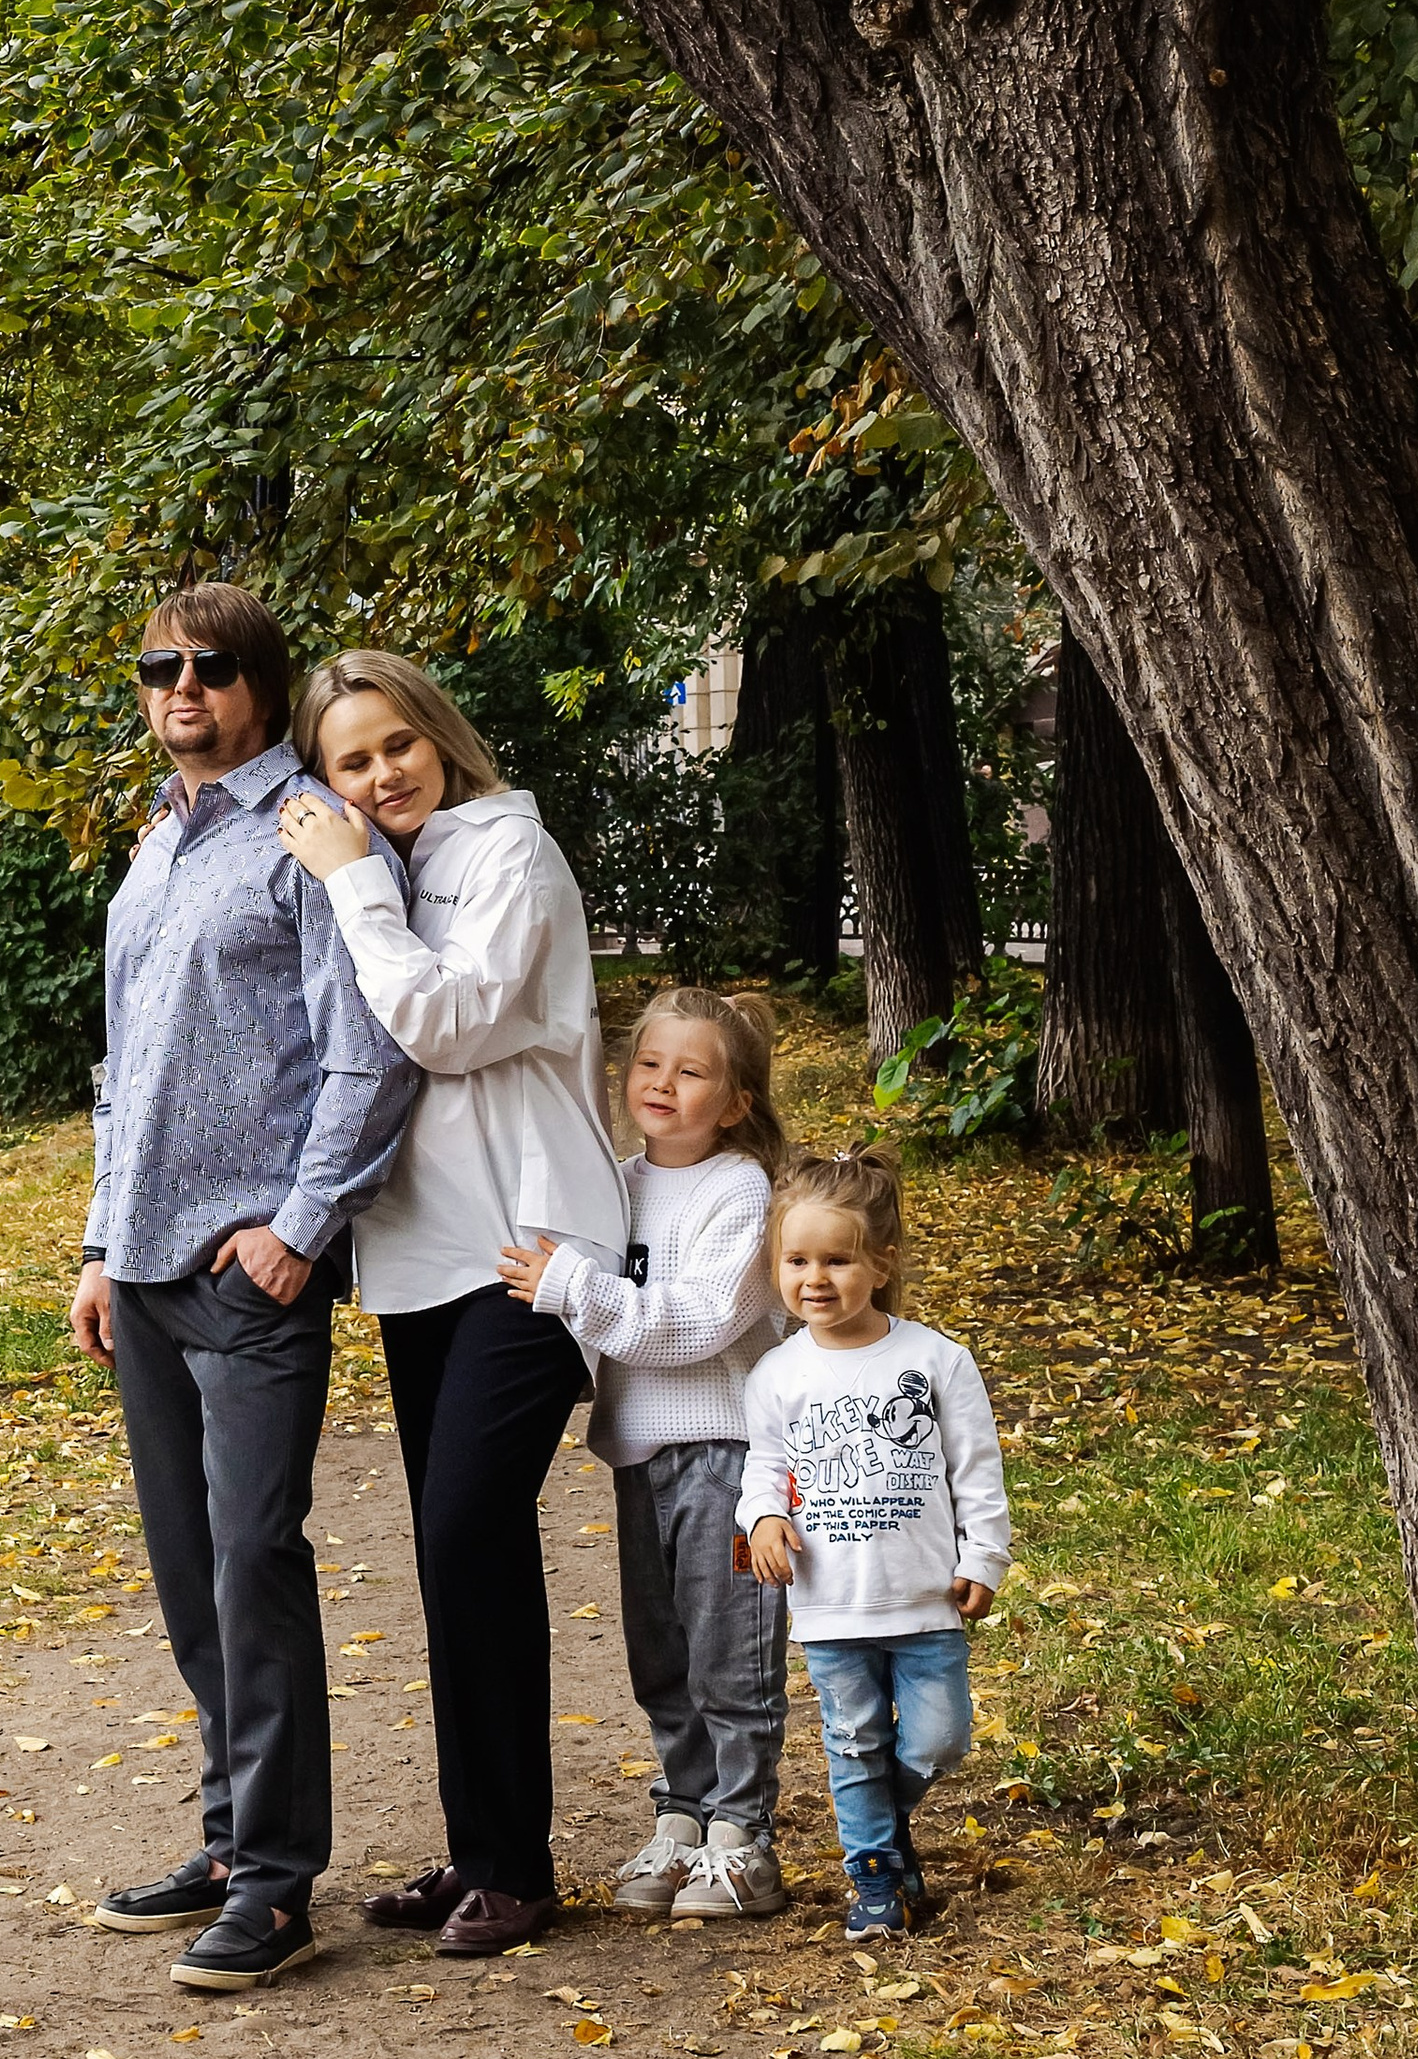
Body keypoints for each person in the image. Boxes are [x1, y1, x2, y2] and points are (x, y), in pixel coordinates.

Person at [71, 583, 419, 1994]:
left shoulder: (306, 840)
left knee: (251, 1560)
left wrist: (299, 1224)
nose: (182, 686)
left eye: (212, 667)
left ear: (261, 686)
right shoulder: (157, 847)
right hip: (144, 1268)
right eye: (160, 665)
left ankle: (278, 1883)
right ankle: (227, 1838)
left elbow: (374, 1049)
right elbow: (122, 1073)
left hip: (246, 1269)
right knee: (185, 1572)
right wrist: (99, 1242)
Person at [274, 650, 625, 1956]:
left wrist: (355, 876)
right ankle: (485, 1846)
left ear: (443, 733)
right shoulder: (398, 866)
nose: (381, 773)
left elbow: (449, 1022)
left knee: (473, 1523)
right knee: (451, 1550)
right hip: (422, 1259)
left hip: (534, 1245)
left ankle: (516, 1864)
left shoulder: (507, 857)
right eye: (351, 760)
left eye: (397, 743)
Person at [498, 984, 793, 1923]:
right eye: (650, 1063)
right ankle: (686, 1818)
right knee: (660, 1657)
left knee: (731, 1655)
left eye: (693, 1069)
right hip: (643, 1460)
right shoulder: (616, 1181)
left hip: (731, 1458)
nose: (663, 1082)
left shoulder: (741, 1190)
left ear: (736, 1101)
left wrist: (570, 1284)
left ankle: (744, 1838)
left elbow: (695, 1326)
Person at [739, 1146, 1011, 1941]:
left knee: (940, 1738)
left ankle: (881, 1833)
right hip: (830, 1605)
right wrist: (760, 1518)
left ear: (881, 1262)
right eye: (796, 1259)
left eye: (837, 1258)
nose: (814, 1278)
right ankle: (876, 1878)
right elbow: (764, 1466)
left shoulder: (935, 1360)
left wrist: (983, 1555)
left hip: (924, 1597)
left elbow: (977, 1470)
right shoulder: (778, 1373)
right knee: (852, 1742)